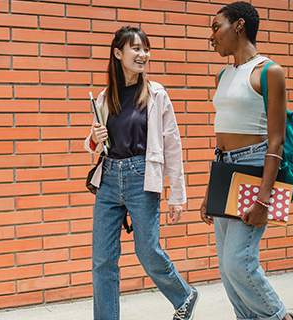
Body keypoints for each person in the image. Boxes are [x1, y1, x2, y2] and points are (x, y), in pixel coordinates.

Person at [85, 26, 198, 320]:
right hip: (109, 178)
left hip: (141, 179)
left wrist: (177, 195)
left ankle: (184, 295)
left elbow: (172, 145)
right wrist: (96, 136)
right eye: (135, 48)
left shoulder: (156, 94)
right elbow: (95, 143)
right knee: (102, 260)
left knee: (148, 251)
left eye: (145, 49)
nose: (142, 54)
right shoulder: (105, 96)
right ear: (118, 53)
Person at [201, 2, 293, 320]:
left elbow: (277, 140)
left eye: (216, 27)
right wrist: (208, 193)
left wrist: (264, 198)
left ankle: (279, 316)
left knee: (238, 264)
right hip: (225, 168)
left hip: (255, 168)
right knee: (227, 273)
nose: (211, 37)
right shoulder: (224, 75)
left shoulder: (270, 72)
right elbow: (222, 139)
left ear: (239, 25)